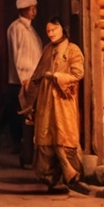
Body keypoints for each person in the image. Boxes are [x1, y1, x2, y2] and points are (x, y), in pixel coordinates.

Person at [21, 17, 84, 194]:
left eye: (54, 30)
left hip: (63, 101)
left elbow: (78, 73)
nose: (51, 34)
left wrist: (57, 76)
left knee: (63, 137)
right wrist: (30, 101)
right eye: (48, 31)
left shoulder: (73, 50)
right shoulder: (48, 49)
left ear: (62, 29)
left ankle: (68, 176)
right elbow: (37, 74)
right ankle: (51, 180)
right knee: (46, 138)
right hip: (46, 99)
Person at [5, 0, 43, 167]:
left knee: (31, 120)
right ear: (24, 10)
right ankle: (25, 157)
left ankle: (30, 156)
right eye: (31, 8)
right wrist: (24, 81)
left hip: (31, 80)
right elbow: (18, 57)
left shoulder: (30, 29)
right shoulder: (17, 28)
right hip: (23, 82)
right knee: (25, 121)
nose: (34, 11)